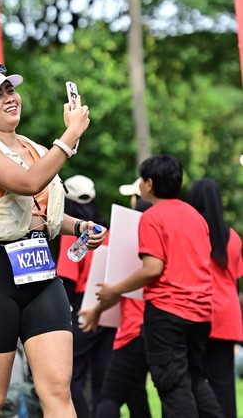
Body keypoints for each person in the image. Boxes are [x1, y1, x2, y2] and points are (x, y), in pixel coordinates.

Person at [0, 63, 107, 418]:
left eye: (10, 90)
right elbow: (28, 184)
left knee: (57, 391)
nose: (9, 98)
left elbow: (38, 212)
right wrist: (70, 135)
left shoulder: (34, 148)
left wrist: (79, 227)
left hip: (40, 275)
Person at [84, 155, 225, 418]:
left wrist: (115, 290)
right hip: (202, 313)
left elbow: (152, 269)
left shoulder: (152, 217)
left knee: (173, 385)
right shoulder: (196, 217)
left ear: (149, 184)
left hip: (168, 313)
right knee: (195, 378)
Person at [79, 192, 153, 418]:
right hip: (157, 329)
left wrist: (97, 310)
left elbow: (117, 289)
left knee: (109, 395)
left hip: (132, 331)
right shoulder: (161, 246)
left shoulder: (133, 243)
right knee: (141, 394)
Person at [56, 175, 114, 417]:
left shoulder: (74, 233)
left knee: (70, 376)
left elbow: (68, 279)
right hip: (110, 309)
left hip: (83, 308)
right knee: (104, 377)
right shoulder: (106, 233)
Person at [187, 177, 243, 418]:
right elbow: (235, 278)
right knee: (223, 384)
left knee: (193, 381)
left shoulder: (193, 233)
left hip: (199, 311)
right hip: (228, 316)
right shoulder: (234, 237)